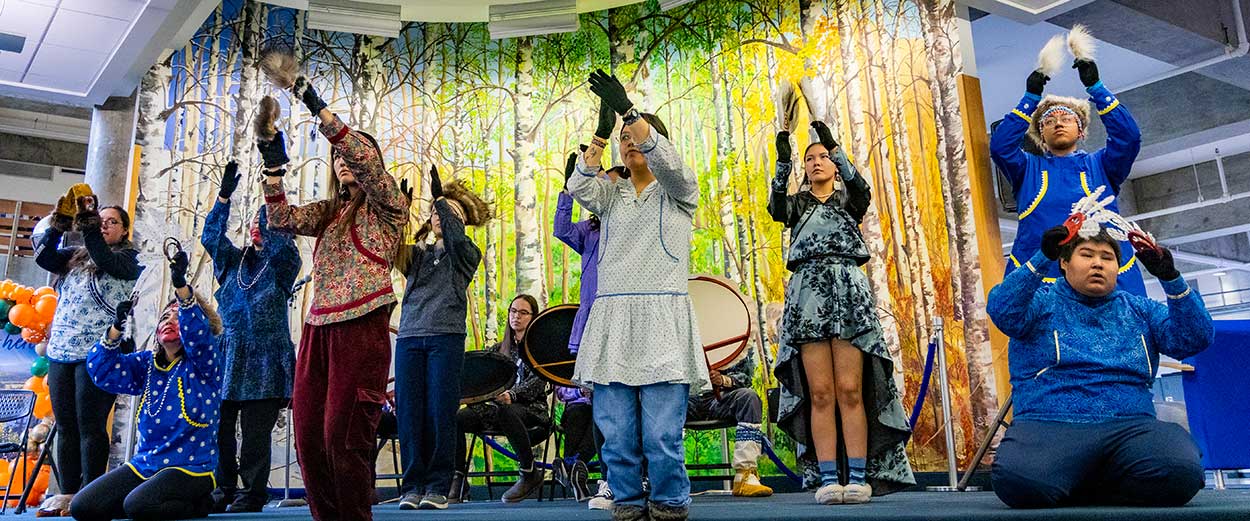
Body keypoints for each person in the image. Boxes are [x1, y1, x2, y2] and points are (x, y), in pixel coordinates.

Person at [258, 78, 406, 521]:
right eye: (339, 156)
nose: (345, 160)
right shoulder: (328, 212)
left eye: (353, 155)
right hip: (318, 331)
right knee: (308, 438)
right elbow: (280, 219)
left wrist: (314, 103)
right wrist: (273, 168)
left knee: (344, 440)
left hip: (361, 330)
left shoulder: (388, 206)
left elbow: (363, 159)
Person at [987, 225, 1213, 508]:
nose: (1097, 263)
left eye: (1107, 257)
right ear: (1064, 262)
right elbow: (1002, 311)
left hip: (1132, 427)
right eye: (1086, 254)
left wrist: (1172, 280)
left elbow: (1195, 338)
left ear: (1118, 267)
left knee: (1183, 473)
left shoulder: (1142, 309)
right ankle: (1097, 483)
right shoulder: (1040, 303)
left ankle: (1075, 485)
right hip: (1049, 425)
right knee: (1018, 481)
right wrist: (1040, 258)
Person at [569, 70, 709, 521]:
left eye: (635, 137)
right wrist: (601, 128)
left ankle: (670, 500)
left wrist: (630, 111)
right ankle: (627, 499)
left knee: (661, 433)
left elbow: (668, 163)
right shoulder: (611, 195)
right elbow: (578, 186)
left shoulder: (679, 192)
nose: (627, 143)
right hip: (614, 321)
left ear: (655, 143)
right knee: (617, 430)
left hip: (662, 319)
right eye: (622, 140)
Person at [768, 123, 915, 505]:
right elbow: (775, 207)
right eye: (809, 159)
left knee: (851, 388)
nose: (817, 162)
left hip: (847, 290)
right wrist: (783, 160)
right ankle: (828, 477)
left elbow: (861, 186)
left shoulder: (849, 198)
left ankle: (861, 478)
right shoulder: (798, 203)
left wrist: (834, 143)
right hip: (808, 296)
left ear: (834, 163)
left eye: (823, 157)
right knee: (820, 392)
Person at [71, 251, 222, 521]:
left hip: (192, 466)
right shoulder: (147, 364)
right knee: (84, 507)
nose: (169, 320)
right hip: (146, 463)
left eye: (178, 316)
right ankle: (146, 500)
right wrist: (117, 328)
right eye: (165, 316)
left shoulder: (204, 363)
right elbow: (102, 371)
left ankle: (200, 503)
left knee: (138, 506)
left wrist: (181, 287)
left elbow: (198, 335)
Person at [990, 55, 1145, 294]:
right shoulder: (1027, 169)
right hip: (1043, 283)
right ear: (1041, 136)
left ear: (1081, 131)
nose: (1058, 124)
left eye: (1066, 119)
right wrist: (1030, 98)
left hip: (1105, 279)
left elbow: (1129, 138)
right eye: (1048, 121)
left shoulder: (1101, 165)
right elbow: (1001, 147)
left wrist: (1097, 88)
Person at [201, 161, 301, 512]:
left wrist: (273, 213)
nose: (258, 228)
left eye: (266, 222)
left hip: (265, 356)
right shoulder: (232, 261)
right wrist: (224, 197)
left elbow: (277, 245)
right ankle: (223, 488)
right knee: (220, 428)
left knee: (256, 435)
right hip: (228, 352)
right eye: (255, 222)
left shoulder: (285, 261)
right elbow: (211, 238)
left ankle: (252, 493)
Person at [34, 192, 141, 517]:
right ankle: (66, 493)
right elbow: (44, 257)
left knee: (90, 424)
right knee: (65, 425)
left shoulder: (129, 259)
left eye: (112, 222)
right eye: (101, 221)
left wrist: (90, 225)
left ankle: (90, 494)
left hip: (100, 353)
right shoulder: (75, 255)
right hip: (62, 350)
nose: (105, 226)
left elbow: (106, 260)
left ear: (124, 231)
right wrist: (59, 224)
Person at [393, 167, 489, 510]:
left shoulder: (466, 255)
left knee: (439, 411)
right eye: (436, 211)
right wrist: (400, 211)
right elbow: (388, 246)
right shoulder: (417, 255)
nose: (441, 216)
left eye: (451, 213)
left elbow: (456, 236)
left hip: (445, 339)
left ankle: (437, 485)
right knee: (409, 414)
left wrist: (440, 200)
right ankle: (412, 486)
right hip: (409, 339)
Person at [552, 149, 620, 506]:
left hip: (621, 321)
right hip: (591, 323)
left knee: (621, 400)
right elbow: (560, 228)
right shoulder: (589, 231)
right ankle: (604, 476)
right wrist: (567, 190)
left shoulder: (625, 227)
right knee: (598, 402)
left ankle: (619, 473)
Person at [453, 294, 551, 504]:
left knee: (508, 411)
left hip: (530, 410)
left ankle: (528, 471)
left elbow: (538, 383)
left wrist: (512, 395)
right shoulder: (497, 350)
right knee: (458, 419)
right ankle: (458, 479)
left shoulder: (539, 350)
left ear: (533, 317)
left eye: (523, 312)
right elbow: (481, 378)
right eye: (513, 311)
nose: (517, 316)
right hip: (495, 410)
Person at [688, 354, 772, 497]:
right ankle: (655, 479)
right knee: (653, 404)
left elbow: (745, 377)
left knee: (749, 397)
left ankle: (745, 476)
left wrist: (723, 380)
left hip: (721, 399)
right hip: (683, 398)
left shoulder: (729, 335)